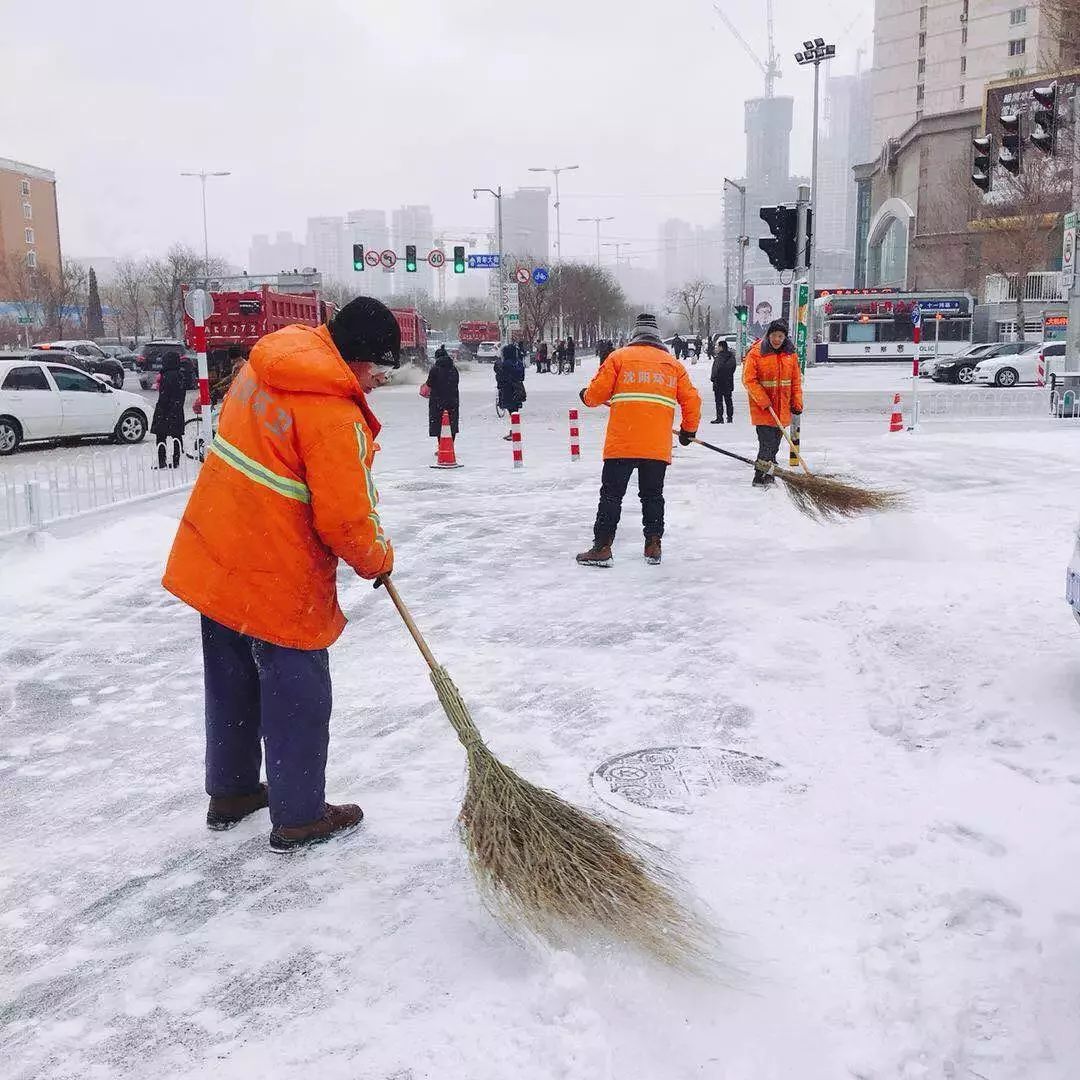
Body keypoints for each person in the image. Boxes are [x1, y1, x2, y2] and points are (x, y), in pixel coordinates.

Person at [161, 296, 400, 853]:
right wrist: (378, 558)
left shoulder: (266, 363)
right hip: (276, 569)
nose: (375, 379)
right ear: (359, 358)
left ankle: (234, 791)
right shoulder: (333, 415)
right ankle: (299, 816)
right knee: (298, 691)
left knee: (231, 679)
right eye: (377, 367)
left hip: (216, 549)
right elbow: (346, 519)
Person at [575, 313, 701, 567]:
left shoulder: (619, 358)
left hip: (622, 442)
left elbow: (596, 394)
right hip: (656, 446)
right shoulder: (673, 365)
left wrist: (586, 396)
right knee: (653, 496)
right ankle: (653, 545)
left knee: (611, 495)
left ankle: (602, 547)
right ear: (656, 336)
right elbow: (692, 401)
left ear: (635, 334)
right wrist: (688, 431)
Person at [742, 318, 803, 487]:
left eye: (781, 336)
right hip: (764, 409)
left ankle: (769, 474)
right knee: (767, 444)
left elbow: (796, 382)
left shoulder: (790, 355)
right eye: (774, 335)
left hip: (782, 409)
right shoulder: (756, 353)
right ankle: (759, 476)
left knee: (775, 445)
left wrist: (797, 402)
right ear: (769, 335)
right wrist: (763, 400)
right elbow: (749, 380)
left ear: (785, 338)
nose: (777, 339)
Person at [151, 352, 186, 468]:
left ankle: (162, 461)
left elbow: (164, 396)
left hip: (165, 410)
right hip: (177, 409)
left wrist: (161, 407)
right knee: (176, 435)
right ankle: (176, 460)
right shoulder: (180, 375)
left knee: (161, 435)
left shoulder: (166, 376)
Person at [426, 344, 459, 450]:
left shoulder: (434, 369)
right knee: (451, 422)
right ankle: (451, 445)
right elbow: (456, 382)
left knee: (439, 423)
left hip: (437, 401)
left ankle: (442, 446)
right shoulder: (454, 369)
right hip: (452, 400)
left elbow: (429, 384)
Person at [494, 341, 526, 438]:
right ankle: (515, 431)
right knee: (515, 411)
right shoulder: (519, 363)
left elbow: (500, 376)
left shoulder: (505, 364)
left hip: (508, 390)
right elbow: (521, 377)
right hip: (518, 389)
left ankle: (515, 432)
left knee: (512, 411)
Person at [710, 339, 737, 424]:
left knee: (719, 401)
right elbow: (732, 368)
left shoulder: (719, 357)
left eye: (718, 346)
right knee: (728, 400)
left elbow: (716, 369)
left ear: (721, 347)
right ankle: (729, 418)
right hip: (728, 382)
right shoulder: (731, 356)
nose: (717, 348)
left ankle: (719, 418)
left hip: (718, 382)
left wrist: (713, 378)